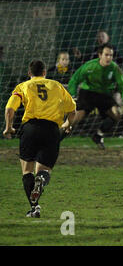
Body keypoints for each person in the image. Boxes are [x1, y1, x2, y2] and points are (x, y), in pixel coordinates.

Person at [3, 60, 76, 218]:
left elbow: (9, 109)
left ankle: (35, 208)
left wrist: (8, 128)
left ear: (29, 73)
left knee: (27, 171)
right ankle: (42, 179)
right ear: (44, 73)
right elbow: (72, 110)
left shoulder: (23, 86)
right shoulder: (57, 85)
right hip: (51, 131)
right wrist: (67, 125)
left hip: (30, 129)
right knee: (43, 171)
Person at [65, 43, 123, 149]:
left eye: (111, 55)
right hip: (88, 93)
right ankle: (57, 137)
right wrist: (72, 94)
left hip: (104, 95)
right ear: (100, 55)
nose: (109, 57)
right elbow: (74, 80)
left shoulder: (114, 69)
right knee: (75, 119)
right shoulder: (90, 66)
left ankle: (98, 136)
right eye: (106, 55)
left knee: (117, 114)